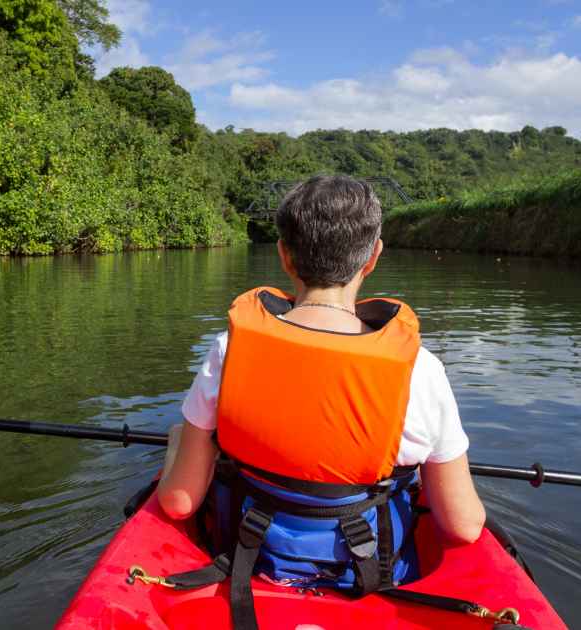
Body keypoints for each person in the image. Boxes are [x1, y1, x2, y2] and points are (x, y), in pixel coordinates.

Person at [156, 175, 485, 608]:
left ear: (284, 255)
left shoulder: (229, 349)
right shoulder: (421, 371)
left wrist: (178, 446)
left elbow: (179, 504)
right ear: (373, 258)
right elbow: (463, 526)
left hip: (247, 567)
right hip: (372, 579)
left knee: (184, 436)